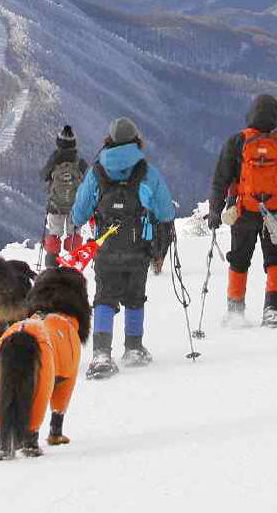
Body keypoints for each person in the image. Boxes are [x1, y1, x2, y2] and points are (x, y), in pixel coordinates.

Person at [69, 116, 177, 378]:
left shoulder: (97, 172)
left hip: (105, 249)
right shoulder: (147, 172)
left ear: (109, 141)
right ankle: (134, 348)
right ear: (136, 140)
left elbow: (79, 213)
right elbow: (164, 211)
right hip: (138, 249)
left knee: (104, 297)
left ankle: (101, 354)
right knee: (135, 297)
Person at [207, 93, 277, 328]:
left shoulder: (237, 142)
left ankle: (235, 312)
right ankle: (272, 311)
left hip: (243, 211)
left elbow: (220, 179)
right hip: (276, 212)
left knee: (239, 259)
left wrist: (215, 210)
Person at [38, 126, 87, 268]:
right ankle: (72, 269)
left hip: (55, 206)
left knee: (54, 236)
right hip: (75, 207)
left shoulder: (54, 161)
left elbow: (43, 176)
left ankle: (52, 269)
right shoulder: (79, 162)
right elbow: (90, 178)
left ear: (58, 142)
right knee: (74, 238)